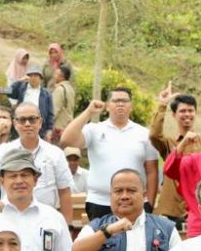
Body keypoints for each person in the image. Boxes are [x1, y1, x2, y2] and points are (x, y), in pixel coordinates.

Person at [60, 88, 159, 220]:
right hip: (100, 202)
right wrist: (89, 112)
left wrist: (149, 204)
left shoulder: (144, 134)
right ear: (107, 106)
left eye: (124, 101)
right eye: (116, 101)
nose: (120, 104)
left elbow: (152, 171)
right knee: (100, 240)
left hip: (134, 203)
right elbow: (67, 140)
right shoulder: (94, 129)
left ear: (131, 106)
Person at [0, 102, 73, 223]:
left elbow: (65, 192)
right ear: (15, 123)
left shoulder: (55, 154)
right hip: (11, 219)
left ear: (40, 122)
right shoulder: (5, 150)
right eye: (22, 120)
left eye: (32, 119)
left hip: (45, 220)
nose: (27, 124)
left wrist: (68, 226)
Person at [149, 91, 201, 221]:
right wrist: (162, 104)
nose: (187, 114)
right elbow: (154, 135)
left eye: (190, 110)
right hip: (169, 210)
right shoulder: (169, 144)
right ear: (174, 114)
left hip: (196, 210)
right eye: (182, 111)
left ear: (195, 113)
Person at [10, 65, 55, 140]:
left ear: (40, 78)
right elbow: (9, 91)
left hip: (39, 127)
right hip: (22, 123)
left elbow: (50, 113)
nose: (33, 78)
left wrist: (49, 130)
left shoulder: (46, 94)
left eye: (36, 75)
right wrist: (20, 81)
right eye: (31, 75)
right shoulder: (22, 88)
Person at [51, 64, 76, 142]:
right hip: (68, 125)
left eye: (56, 74)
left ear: (61, 77)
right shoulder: (71, 89)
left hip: (58, 128)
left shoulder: (59, 89)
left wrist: (47, 124)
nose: (54, 76)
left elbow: (55, 110)